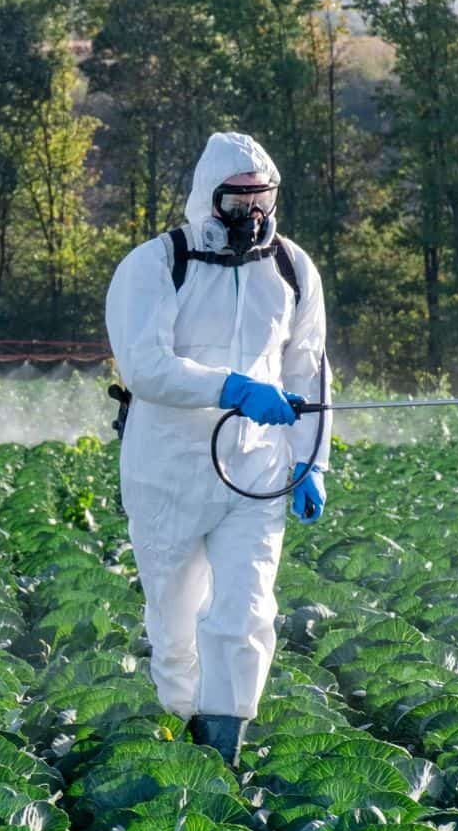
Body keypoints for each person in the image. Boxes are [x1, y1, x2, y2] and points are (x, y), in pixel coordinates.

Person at [104, 132, 331, 768]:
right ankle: (182, 739)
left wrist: (311, 462)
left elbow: (308, 371)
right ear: (210, 199)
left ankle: (224, 748)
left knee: (247, 610)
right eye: (238, 201)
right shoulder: (154, 266)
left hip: (255, 473)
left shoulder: (291, 269)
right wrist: (229, 387)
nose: (252, 215)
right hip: (166, 473)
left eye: (263, 200)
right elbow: (146, 367)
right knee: (176, 628)